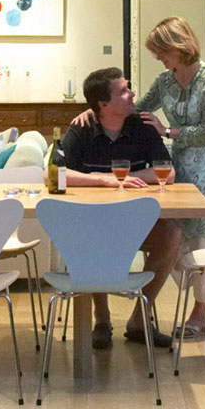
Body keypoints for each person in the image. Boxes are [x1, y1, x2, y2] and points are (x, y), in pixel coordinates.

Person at [69, 17, 205, 338]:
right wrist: (94, 110)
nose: (158, 58)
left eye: (161, 51)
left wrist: (167, 131)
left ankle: (200, 314)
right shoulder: (165, 81)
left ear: (178, 47)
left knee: (202, 241)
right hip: (177, 166)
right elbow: (133, 107)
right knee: (179, 245)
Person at [55, 66, 181, 351]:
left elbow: (168, 172)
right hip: (94, 221)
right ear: (103, 104)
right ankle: (101, 319)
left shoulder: (142, 126)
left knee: (172, 233)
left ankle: (140, 318)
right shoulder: (82, 128)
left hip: (137, 222)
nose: (132, 93)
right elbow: (54, 174)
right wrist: (103, 179)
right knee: (86, 237)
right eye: (123, 90)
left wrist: (122, 179)